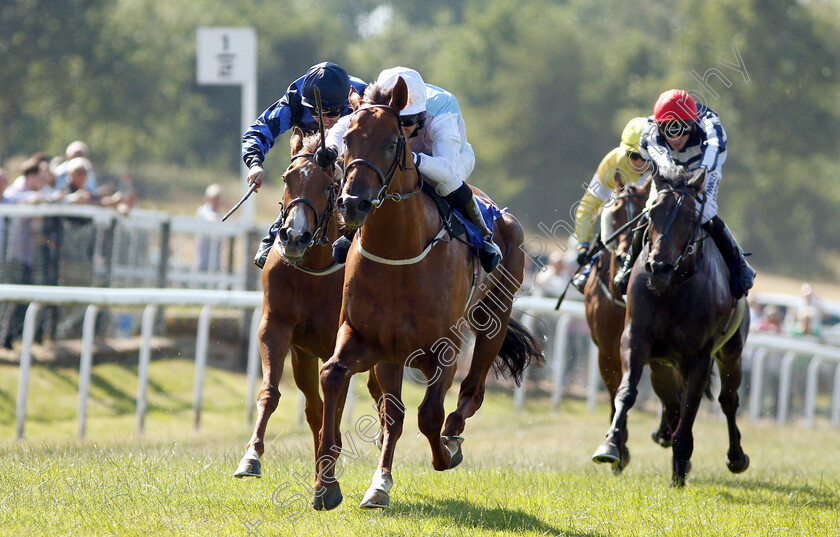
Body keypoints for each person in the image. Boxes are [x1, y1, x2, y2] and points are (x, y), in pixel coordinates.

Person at [322, 66, 503, 272]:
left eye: (406, 122)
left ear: (420, 116)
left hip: (447, 159)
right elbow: (344, 125)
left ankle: (484, 237)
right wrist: (331, 148)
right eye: (396, 120)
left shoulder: (442, 112)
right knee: (366, 170)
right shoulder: (376, 105)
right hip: (395, 153)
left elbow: (446, 169)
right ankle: (351, 233)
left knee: (446, 184)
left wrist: (410, 158)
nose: (400, 128)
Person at [613, 89, 755, 298]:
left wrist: (703, 171)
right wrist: (672, 181)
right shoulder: (649, 132)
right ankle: (627, 266)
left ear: (693, 122)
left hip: (703, 163)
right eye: (669, 130)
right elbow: (662, 162)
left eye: (682, 129)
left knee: (704, 211)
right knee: (653, 206)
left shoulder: (709, 122)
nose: (676, 137)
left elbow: (715, 148)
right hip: (667, 163)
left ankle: (741, 265)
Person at [242, 62, 368, 268]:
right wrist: (255, 164)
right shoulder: (297, 95)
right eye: (315, 112)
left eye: (332, 113)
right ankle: (278, 228)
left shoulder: (362, 97)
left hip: (356, 156)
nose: (324, 120)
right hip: (312, 158)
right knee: (302, 177)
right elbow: (258, 131)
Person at [571, 117, 650, 292]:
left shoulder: (662, 162)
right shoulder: (614, 160)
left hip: (652, 215)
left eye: (643, 156)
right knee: (609, 214)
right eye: (632, 155)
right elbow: (589, 205)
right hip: (624, 215)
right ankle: (590, 267)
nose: (638, 162)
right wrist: (583, 244)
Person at [195, 183, 224, 273]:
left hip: (216, 261)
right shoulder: (202, 211)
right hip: (203, 259)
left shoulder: (219, 213)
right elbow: (211, 218)